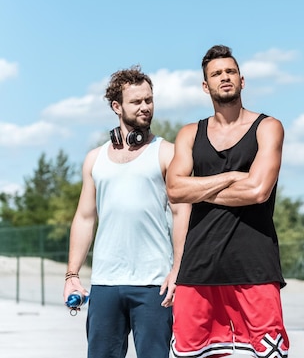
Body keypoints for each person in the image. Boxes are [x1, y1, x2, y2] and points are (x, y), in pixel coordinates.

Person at [166, 44, 289, 358]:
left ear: (242, 80)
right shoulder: (190, 134)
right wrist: (233, 176)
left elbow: (257, 191)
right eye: (216, 73)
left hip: (255, 267)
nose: (225, 77)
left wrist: (199, 187)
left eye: (230, 71)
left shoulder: (268, 127)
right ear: (205, 86)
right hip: (197, 268)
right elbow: (175, 191)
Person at [63, 65, 190, 358]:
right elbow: (84, 218)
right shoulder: (94, 159)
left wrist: (177, 270)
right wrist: (72, 274)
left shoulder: (167, 152)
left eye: (149, 100)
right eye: (137, 102)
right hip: (105, 283)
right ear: (117, 106)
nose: (145, 107)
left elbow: (182, 213)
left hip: (154, 284)